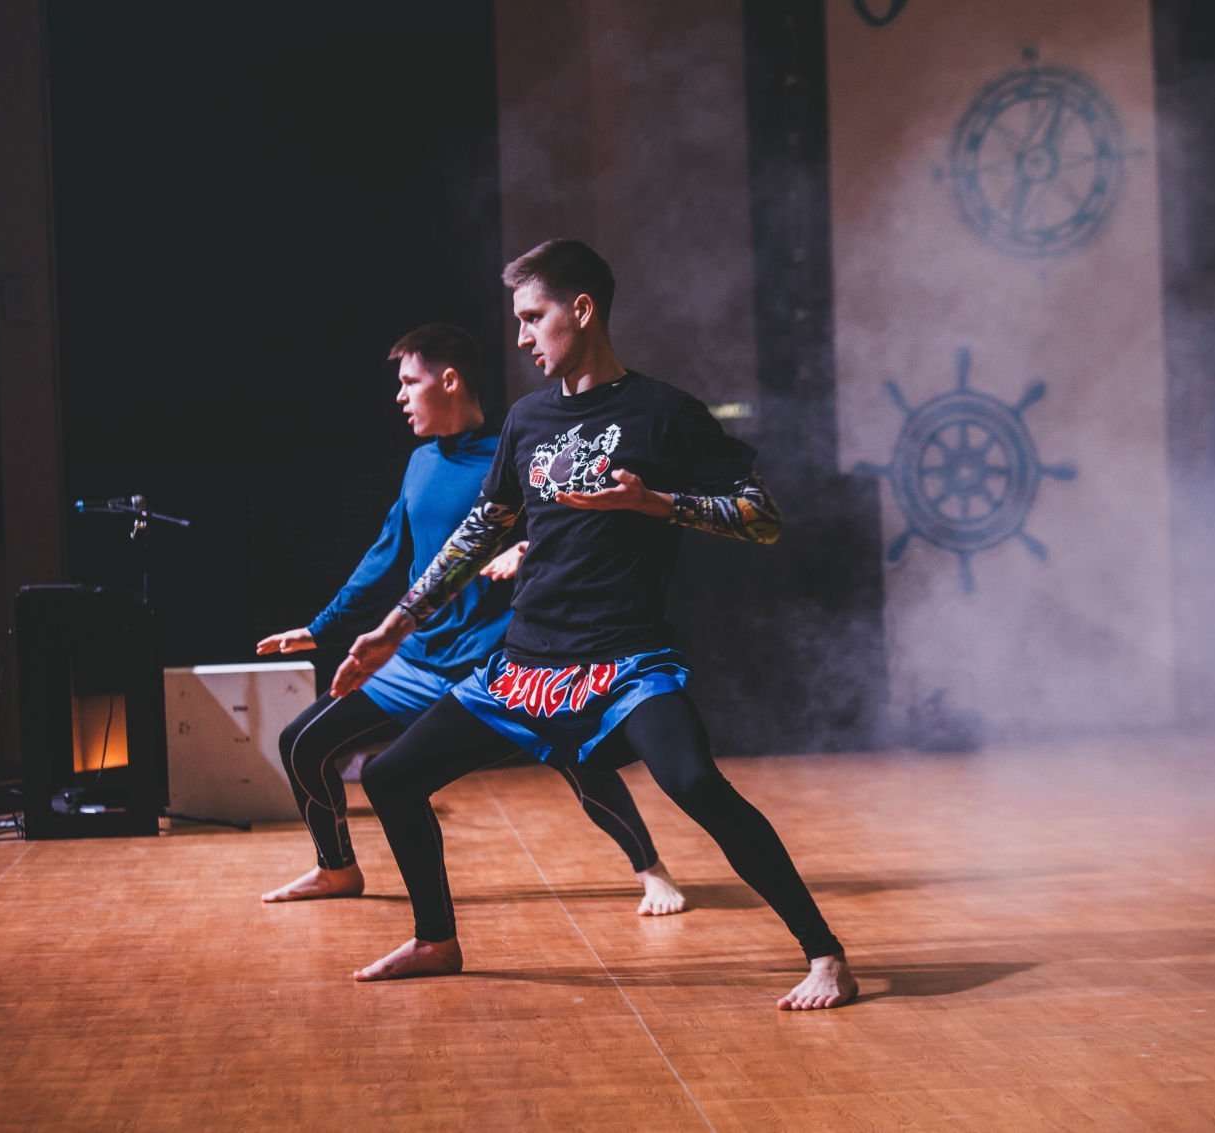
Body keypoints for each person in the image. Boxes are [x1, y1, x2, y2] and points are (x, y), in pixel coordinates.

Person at [336, 241, 857, 1010]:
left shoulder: (665, 413)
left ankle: (826, 954)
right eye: (518, 320)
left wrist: (657, 503)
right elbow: (480, 531)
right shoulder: (527, 419)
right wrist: (393, 626)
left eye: (532, 317)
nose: (521, 337)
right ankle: (436, 939)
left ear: (580, 310)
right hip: (526, 664)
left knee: (694, 783)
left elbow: (763, 516)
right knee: (389, 775)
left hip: (626, 661)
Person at [254, 322, 686, 917]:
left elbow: (582, 534)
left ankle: (651, 870)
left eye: (411, 382)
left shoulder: (520, 452)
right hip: (418, 660)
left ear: (450, 381)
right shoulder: (420, 463)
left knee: (579, 758)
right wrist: (321, 628)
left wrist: (527, 549)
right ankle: (337, 868)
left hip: (499, 660)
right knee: (302, 742)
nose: (400, 396)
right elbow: (385, 553)